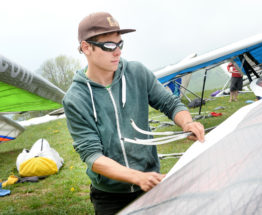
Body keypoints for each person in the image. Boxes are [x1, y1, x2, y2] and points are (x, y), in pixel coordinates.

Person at [63, 12, 205, 215]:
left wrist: (187, 122)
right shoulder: (76, 98)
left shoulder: (137, 72)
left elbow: (170, 103)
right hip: (110, 196)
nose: (117, 52)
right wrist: (137, 177)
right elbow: (92, 156)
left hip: (149, 184)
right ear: (86, 47)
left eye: (120, 44)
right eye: (109, 46)